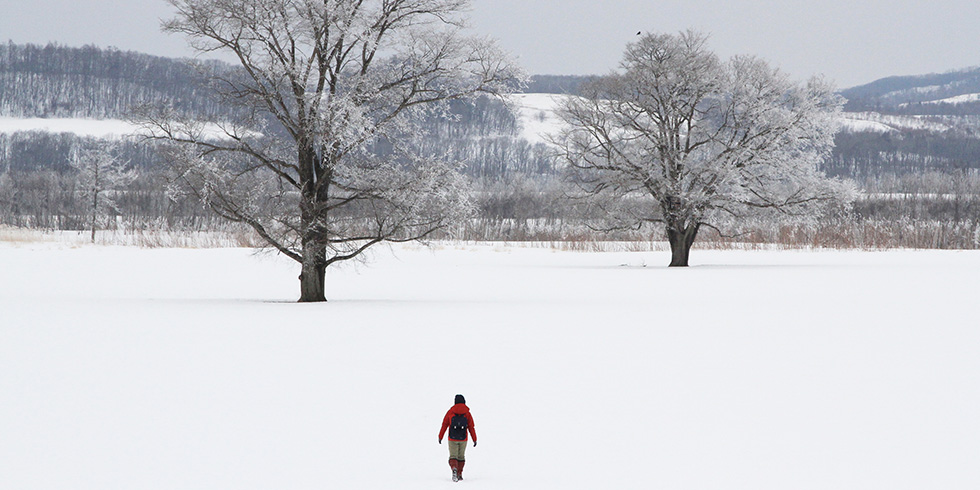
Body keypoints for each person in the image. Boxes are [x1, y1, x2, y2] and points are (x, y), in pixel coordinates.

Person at [438, 394, 477, 481]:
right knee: (461, 457)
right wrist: (474, 439)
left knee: (453, 456)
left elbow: (444, 424)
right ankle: (459, 473)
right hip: (463, 438)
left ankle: (454, 468)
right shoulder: (467, 413)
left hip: (452, 438)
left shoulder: (450, 412)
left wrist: (440, 436)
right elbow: (471, 427)